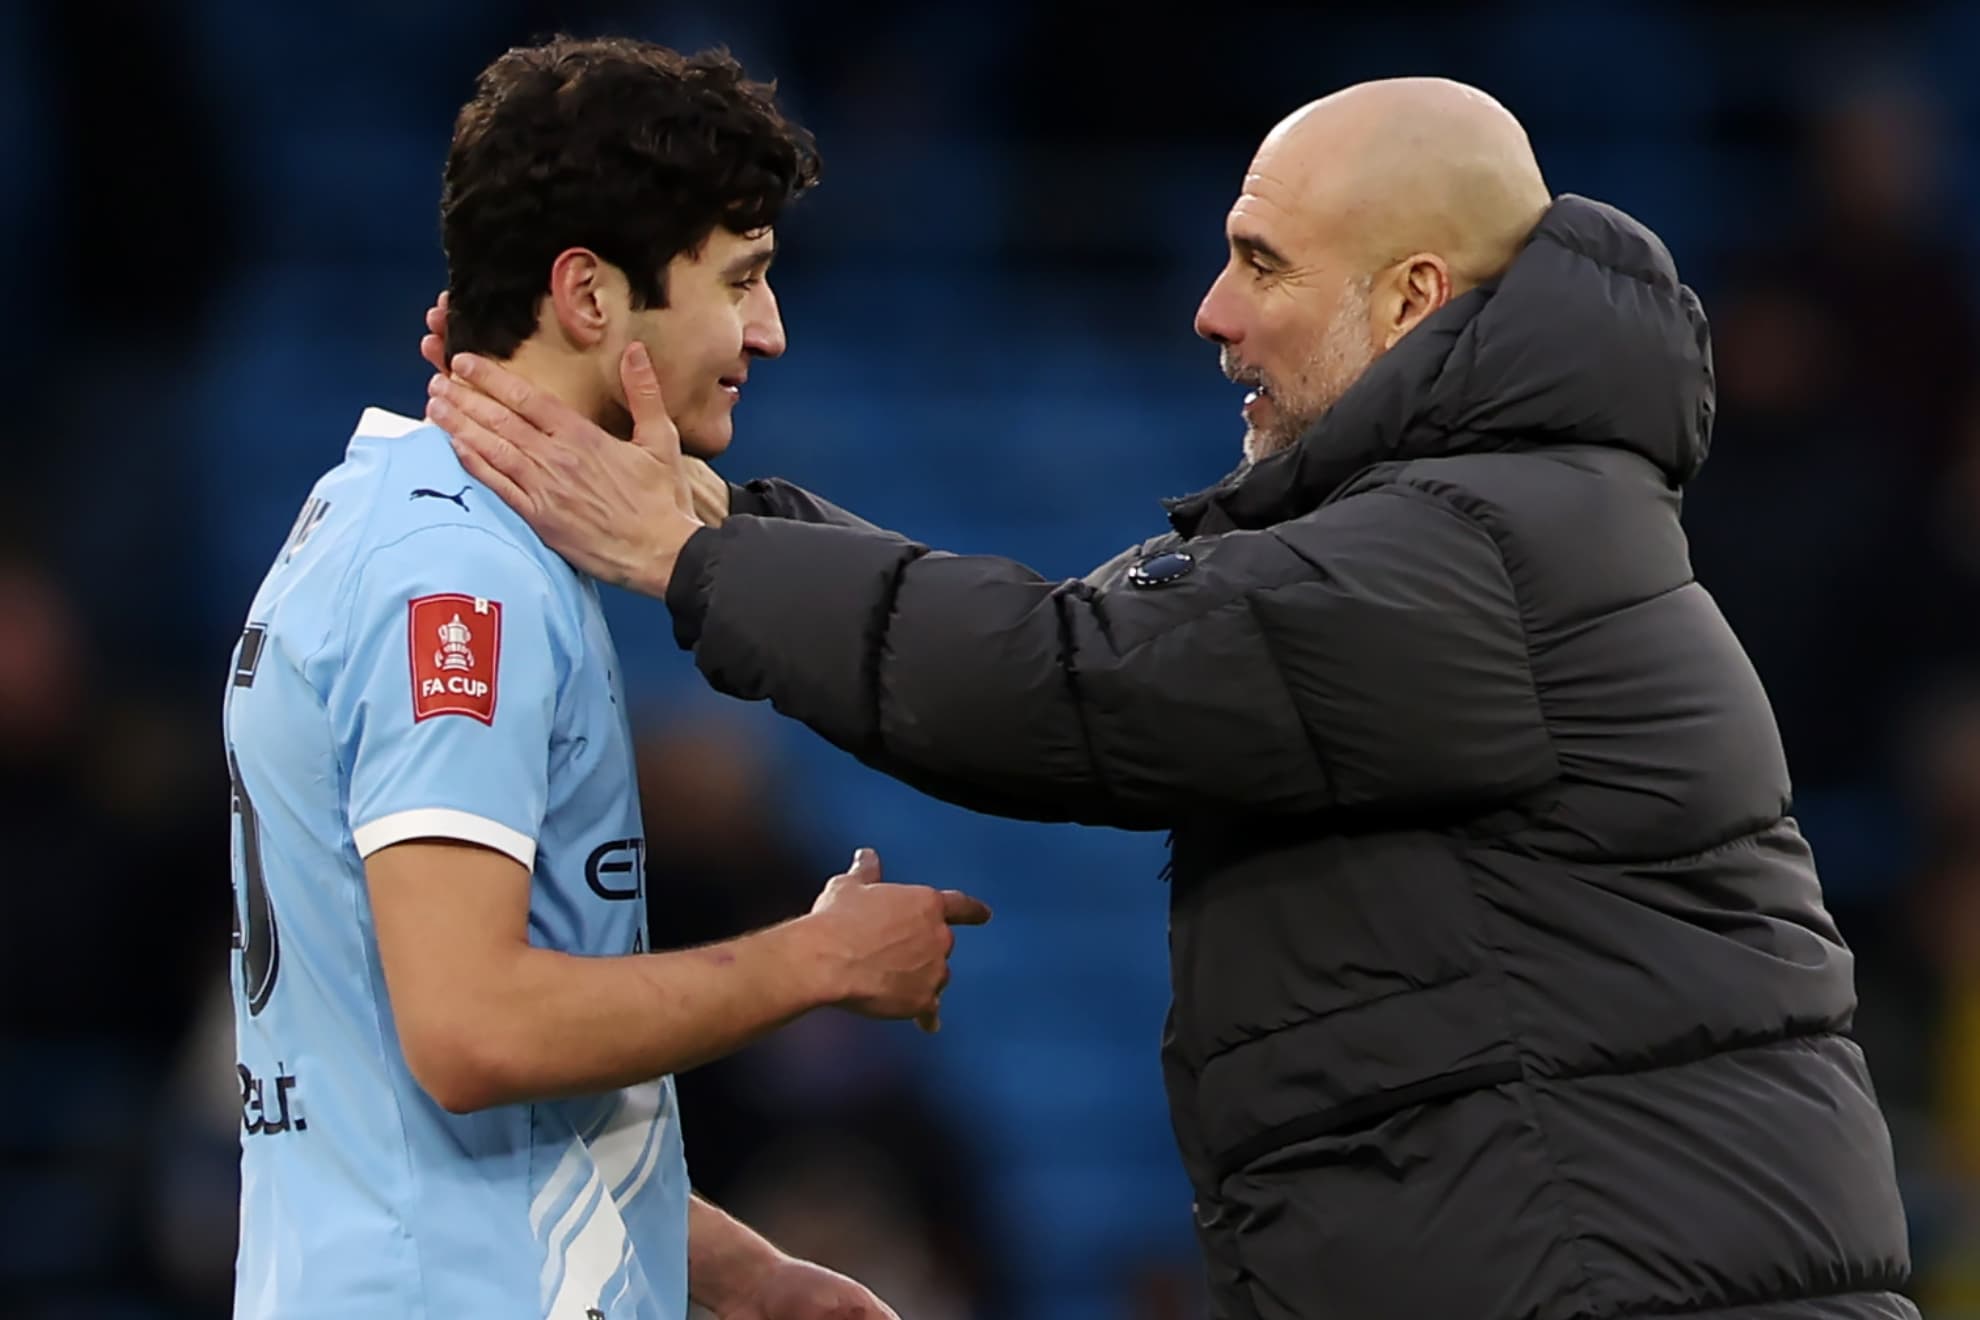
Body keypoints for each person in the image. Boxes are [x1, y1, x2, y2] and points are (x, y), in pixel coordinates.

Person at [422, 77, 1917, 1319]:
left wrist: (697, 557)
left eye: (1263, 263)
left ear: (1410, 298)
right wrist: (722, 524)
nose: (1211, 311)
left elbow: (1077, 681)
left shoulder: (1482, 550)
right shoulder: (1478, 519)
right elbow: (1094, 631)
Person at [223, 35, 989, 1320]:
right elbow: (472, 1031)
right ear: (590, 297)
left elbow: (409, 1087)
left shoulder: (389, 523)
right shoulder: (453, 582)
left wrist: (739, 1276)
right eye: (739, 278)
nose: (770, 330)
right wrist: (814, 963)